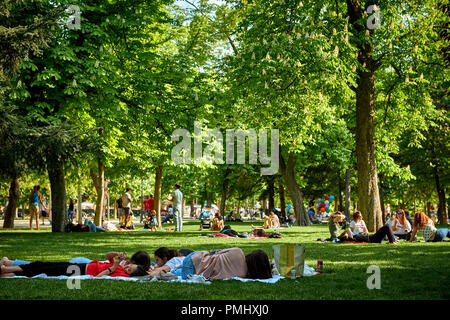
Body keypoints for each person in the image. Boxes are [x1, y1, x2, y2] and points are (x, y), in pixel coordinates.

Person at [0, 252, 149, 278]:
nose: (128, 267)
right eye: (130, 265)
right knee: (44, 267)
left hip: (78, 271)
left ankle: (7, 268)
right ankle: (8, 273)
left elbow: (98, 276)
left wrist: (113, 267)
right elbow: (108, 256)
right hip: (79, 266)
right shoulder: (121, 266)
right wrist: (116, 258)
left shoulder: (120, 272)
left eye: (130, 269)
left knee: (44, 268)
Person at [180, 247, 272, 280]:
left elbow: (215, 252)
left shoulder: (238, 251)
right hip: (191, 274)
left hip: (195, 258)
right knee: (178, 272)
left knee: (180, 266)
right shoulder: (242, 275)